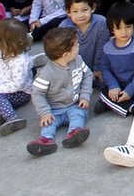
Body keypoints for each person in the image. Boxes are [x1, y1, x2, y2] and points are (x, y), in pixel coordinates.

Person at [27, 26, 94, 156]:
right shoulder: (46, 74)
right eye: (76, 44)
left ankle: (74, 133)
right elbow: (37, 94)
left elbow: (88, 75)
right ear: (66, 55)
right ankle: (45, 140)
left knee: (79, 114)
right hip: (54, 110)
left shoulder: (78, 60)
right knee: (48, 123)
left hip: (74, 104)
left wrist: (85, 96)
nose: (78, 46)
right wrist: (45, 112)